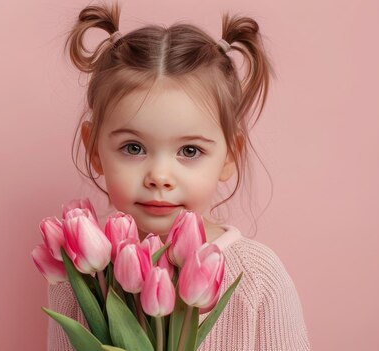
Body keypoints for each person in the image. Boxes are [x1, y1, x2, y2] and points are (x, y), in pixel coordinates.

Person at [47, 2, 310, 350]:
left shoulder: (259, 278)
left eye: (189, 151)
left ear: (230, 156)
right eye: (133, 148)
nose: (159, 176)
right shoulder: (77, 279)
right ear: (94, 149)